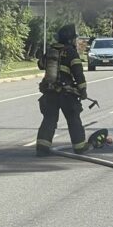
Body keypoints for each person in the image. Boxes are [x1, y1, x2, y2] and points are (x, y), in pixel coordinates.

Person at [35, 24, 89, 156]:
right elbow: (78, 73)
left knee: (49, 119)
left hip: (50, 92)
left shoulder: (51, 50)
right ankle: (80, 147)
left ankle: (42, 148)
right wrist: (83, 90)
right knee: (73, 119)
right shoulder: (71, 52)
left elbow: (41, 65)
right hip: (66, 93)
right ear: (70, 39)